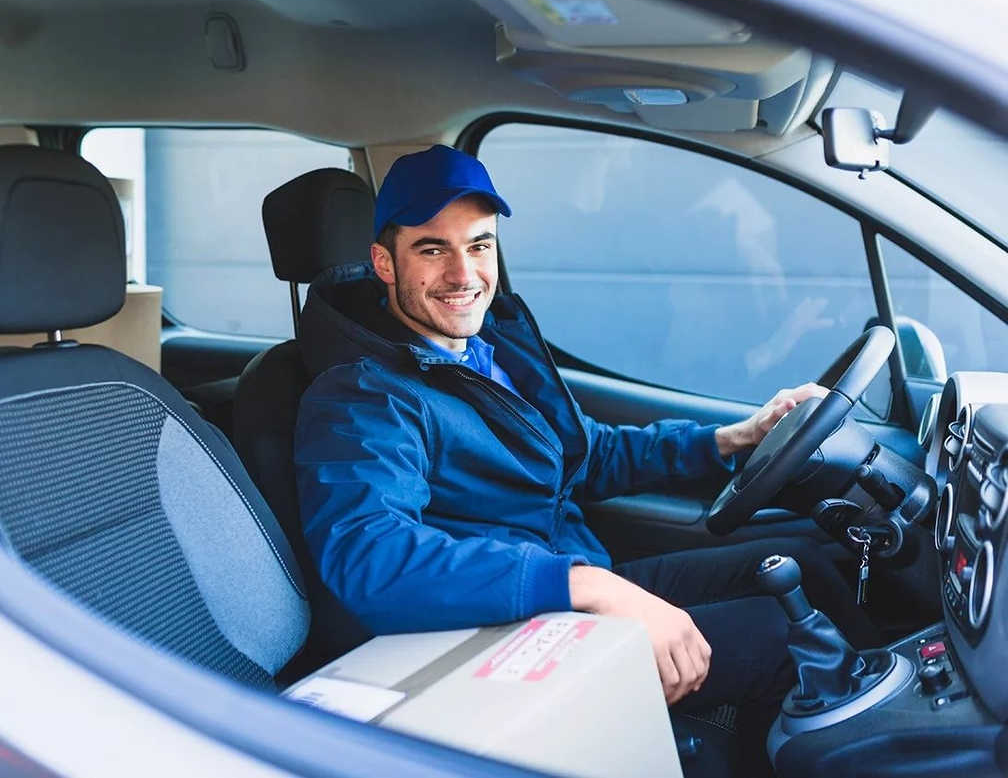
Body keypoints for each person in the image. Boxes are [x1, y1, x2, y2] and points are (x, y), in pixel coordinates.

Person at [293, 145, 880, 726]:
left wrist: (730, 439)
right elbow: (368, 554)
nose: (464, 274)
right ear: (385, 263)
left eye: (479, 244)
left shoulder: (486, 346)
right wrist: (582, 585)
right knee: (786, 637)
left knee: (801, 564)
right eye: (432, 249)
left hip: (567, 580)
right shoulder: (363, 395)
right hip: (502, 629)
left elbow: (583, 453)